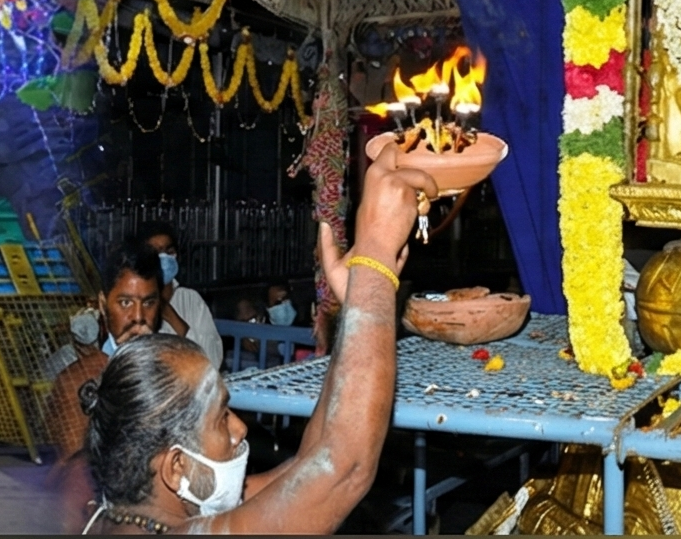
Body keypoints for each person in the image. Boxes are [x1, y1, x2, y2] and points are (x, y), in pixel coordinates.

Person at [76, 159, 434, 534]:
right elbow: (343, 470)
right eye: (220, 418)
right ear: (176, 467)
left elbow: (311, 464)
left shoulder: (142, 509)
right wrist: (375, 259)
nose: (240, 428)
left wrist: (354, 307)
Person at [52, 250, 174, 462]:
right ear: (102, 304)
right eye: (125, 303)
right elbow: (75, 469)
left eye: (148, 303)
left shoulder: (174, 370)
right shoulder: (76, 381)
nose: (138, 317)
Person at [139, 226, 220, 357]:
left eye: (169, 251)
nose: (164, 258)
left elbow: (213, 358)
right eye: (156, 253)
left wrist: (173, 318)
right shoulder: (135, 303)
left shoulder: (191, 299)